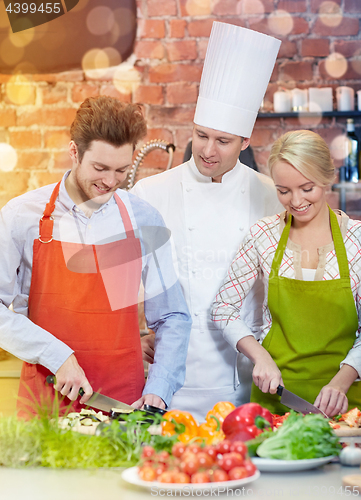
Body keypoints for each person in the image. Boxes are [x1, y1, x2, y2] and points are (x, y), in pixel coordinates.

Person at [0, 95, 191, 416]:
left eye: (121, 170)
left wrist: (159, 390)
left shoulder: (144, 220)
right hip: (45, 402)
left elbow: (173, 316)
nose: (110, 182)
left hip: (123, 405)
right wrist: (56, 355)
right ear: (74, 152)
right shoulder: (22, 216)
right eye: (100, 168)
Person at [132, 22, 282, 422]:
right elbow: (128, 278)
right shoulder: (151, 193)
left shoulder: (270, 194)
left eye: (222, 141)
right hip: (172, 372)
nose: (207, 151)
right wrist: (138, 332)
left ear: (245, 143)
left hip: (243, 370)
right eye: (201, 136)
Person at [212, 130, 361, 417]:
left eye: (307, 188)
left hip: (346, 403)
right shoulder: (263, 235)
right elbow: (222, 308)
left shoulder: (356, 240)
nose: (296, 201)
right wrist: (261, 357)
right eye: (283, 191)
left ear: (327, 178)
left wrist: (341, 382)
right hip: (276, 398)